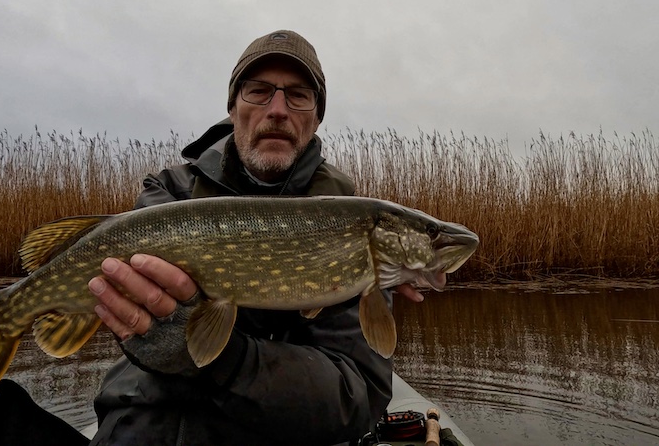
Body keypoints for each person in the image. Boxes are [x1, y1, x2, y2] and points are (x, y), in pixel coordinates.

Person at [86, 29, 426, 446]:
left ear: (316, 116)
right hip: (145, 426)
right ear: (233, 107)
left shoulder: (352, 223)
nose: (278, 109)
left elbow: (355, 396)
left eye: (298, 95)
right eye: (258, 91)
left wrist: (227, 361)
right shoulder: (170, 193)